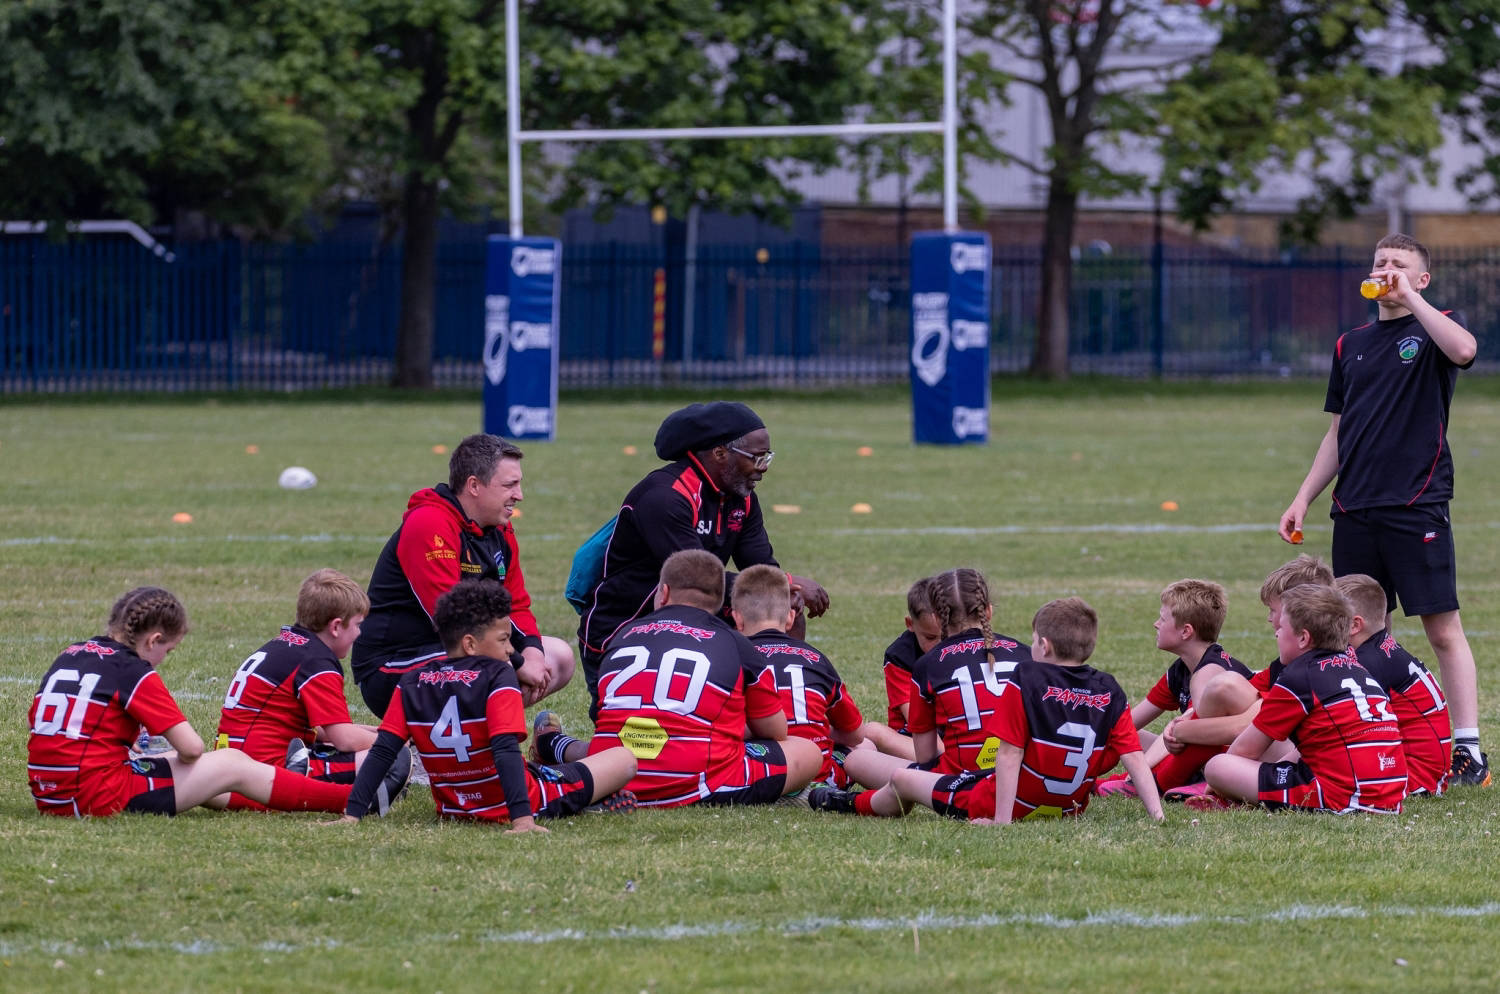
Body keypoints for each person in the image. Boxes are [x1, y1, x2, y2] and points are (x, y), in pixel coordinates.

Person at [1277, 233, 1486, 787]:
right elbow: (1338, 432)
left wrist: (1412, 302)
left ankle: (1468, 750)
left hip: (1417, 504)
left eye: (1400, 264)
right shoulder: (1351, 344)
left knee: (1443, 630)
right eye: (1380, 262)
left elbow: (1465, 352)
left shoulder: (1437, 324)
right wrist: (1304, 497)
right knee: (1359, 629)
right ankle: (1378, 732)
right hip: (1355, 507)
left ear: (1422, 279)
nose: (1386, 269)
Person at [27, 587, 388, 818]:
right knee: (231, 764)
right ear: (153, 640)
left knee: (208, 769)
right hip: (94, 796)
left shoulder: (71, 653)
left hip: (50, 790)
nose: (163, 659)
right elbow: (190, 747)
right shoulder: (132, 670)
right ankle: (350, 800)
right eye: (168, 650)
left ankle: (294, 783)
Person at [576, 402, 829, 719]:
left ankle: (790, 715)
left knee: (783, 604)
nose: (763, 467)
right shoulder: (665, 495)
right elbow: (695, 580)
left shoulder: (742, 499)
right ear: (720, 453)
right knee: (638, 745)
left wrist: (784, 591)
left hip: (695, 622)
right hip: (625, 629)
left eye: (767, 458)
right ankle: (555, 747)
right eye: (757, 458)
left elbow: (761, 568)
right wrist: (786, 583)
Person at [817, 598, 1163, 824]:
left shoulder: (1026, 678)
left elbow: (1010, 754)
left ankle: (848, 804)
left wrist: (1000, 823)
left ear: (1042, 645)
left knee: (902, 778)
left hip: (1009, 801)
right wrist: (1157, 816)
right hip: (1067, 806)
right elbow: (1132, 756)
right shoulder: (1109, 689)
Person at [335, 581, 637, 830]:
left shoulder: (412, 680)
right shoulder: (498, 676)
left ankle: (553, 758)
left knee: (540, 768)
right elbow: (505, 748)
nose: (511, 650)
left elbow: (384, 750)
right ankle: (563, 760)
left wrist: (352, 814)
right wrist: (522, 820)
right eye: (505, 639)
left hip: (455, 808)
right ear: (470, 644)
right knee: (624, 758)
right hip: (523, 801)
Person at [352, 433, 575, 717]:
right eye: (510, 485)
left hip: (460, 650)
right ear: (474, 486)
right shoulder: (429, 523)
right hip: (392, 665)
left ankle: (462, 741)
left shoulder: (500, 530)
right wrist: (518, 663)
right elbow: (454, 620)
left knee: (559, 656)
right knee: (497, 666)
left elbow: (516, 605)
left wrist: (532, 652)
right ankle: (443, 746)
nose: (519, 495)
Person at [583, 549, 823, 807]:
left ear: (663, 593)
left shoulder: (623, 635)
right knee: (806, 751)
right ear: (721, 604)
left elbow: (602, 715)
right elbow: (776, 731)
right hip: (690, 780)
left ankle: (557, 746)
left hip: (610, 772)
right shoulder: (736, 643)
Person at [806, 568, 1032, 817]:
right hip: (1022, 782)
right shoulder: (1025, 654)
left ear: (938, 617)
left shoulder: (928, 663)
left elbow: (925, 756)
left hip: (962, 785)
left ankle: (853, 802)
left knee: (857, 761)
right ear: (988, 611)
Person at [1196, 584, 1406, 814]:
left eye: (1282, 627)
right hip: (1389, 794)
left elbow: (1244, 751)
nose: (1276, 632)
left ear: (1304, 638)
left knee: (1218, 766)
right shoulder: (1357, 667)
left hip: (1343, 795)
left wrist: (1217, 785)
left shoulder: (1299, 676)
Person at [215, 569, 406, 810]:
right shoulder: (316, 662)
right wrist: (396, 743)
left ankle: (306, 767)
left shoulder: (284, 643)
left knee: (375, 745)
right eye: (358, 625)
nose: (359, 633)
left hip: (232, 764)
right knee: (394, 758)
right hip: (262, 775)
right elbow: (344, 739)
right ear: (336, 626)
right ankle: (309, 775)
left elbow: (324, 731)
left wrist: (382, 732)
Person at [1149, 555, 1335, 796]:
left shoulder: (1309, 671)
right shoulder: (1289, 664)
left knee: (1223, 692)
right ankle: (1155, 778)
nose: (1269, 618)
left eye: (1274, 610)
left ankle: (1168, 782)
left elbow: (1245, 727)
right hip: (1293, 757)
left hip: (1305, 767)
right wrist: (1181, 724)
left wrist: (1181, 730)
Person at [732, 565, 906, 789]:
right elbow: (855, 734)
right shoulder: (817, 659)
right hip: (819, 772)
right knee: (865, 747)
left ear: (737, 619)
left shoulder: (732, 656)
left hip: (758, 769)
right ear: (790, 618)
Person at [1096, 579, 1251, 797]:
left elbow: (1196, 732)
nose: (1156, 624)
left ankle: (1142, 783)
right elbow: (1128, 724)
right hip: (1200, 756)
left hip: (1228, 761)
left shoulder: (1210, 672)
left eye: (1162, 618)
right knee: (1128, 733)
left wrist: (1139, 773)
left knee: (1181, 731)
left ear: (1186, 631)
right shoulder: (1181, 669)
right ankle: (1094, 779)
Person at [1336, 573, 1452, 797]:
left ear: (1354, 625)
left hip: (1413, 779)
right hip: (1421, 772)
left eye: (1329, 617)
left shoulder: (1368, 662)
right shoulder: (1378, 649)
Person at [880, 576, 941, 740]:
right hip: (911, 736)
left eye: (946, 636)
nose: (939, 645)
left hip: (954, 734)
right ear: (910, 624)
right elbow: (915, 720)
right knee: (874, 733)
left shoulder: (960, 648)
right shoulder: (899, 656)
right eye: (930, 638)